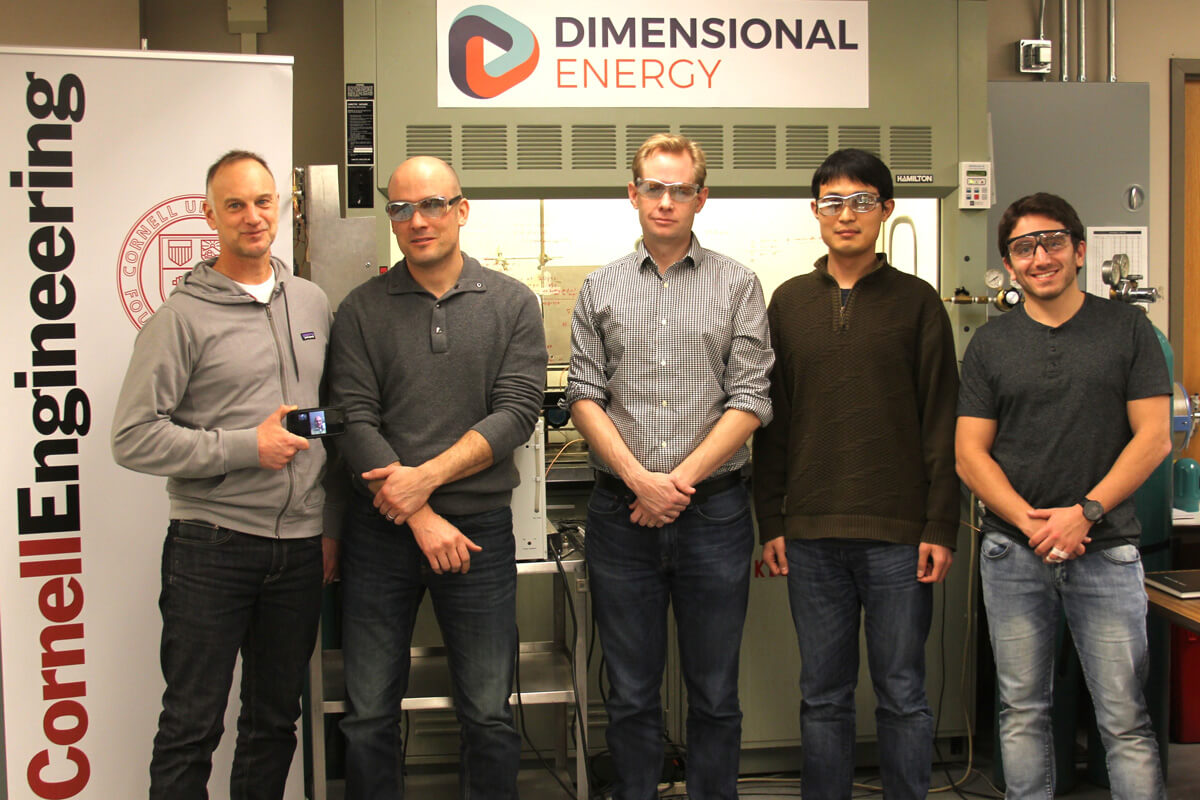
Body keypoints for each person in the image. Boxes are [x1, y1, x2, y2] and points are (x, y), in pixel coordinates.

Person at [112, 150, 337, 799]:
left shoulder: (312, 302)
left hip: (298, 549)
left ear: (282, 207)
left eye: (263, 202)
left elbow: (328, 419)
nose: (252, 216)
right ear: (210, 216)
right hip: (212, 546)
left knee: (274, 723)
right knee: (191, 726)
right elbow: (132, 437)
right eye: (234, 205)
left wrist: (328, 524)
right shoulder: (180, 318)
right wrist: (245, 447)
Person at [329, 156, 546, 800]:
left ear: (461, 209)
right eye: (401, 208)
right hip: (381, 534)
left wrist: (423, 480)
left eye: (431, 204)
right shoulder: (360, 310)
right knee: (368, 714)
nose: (417, 220)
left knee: (487, 712)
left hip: (477, 535)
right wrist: (418, 512)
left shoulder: (512, 303)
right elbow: (350, 419)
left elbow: (516, 412)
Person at [566, 133, 774, 799]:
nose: (665, 201)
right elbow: (583, 394)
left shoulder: (737, 284)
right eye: (653, 188)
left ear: (700, 198)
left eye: (680, 189)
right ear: (633, 194)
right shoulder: (600, 287)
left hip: (714, 513)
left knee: (714, 692)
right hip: (621, 516)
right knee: (630, 694)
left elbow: (751, 399)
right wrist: (639, 480)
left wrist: (674, 485)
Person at [752, 148, 959, 800]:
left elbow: (941, 422)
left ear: (886, 210)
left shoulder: (919, 303)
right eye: (833, 202)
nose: (847, 215)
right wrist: (772, 520)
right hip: (811, 536)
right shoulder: (787, 303)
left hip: (900, 537)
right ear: (816, 212)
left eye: (862, 201)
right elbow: (772, 422)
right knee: (822, 696)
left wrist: (941, 525)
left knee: (902, 693)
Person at [956, 192, 1170, 800]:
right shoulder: (991, 344)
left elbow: (1154, 437)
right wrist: (1031, 524)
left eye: (1052, 242)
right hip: (1013, 553)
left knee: (1124, 718)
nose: (1040, 257)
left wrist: (1085, 514)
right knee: (1022, 710)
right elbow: (969, 454)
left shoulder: (1128, 330)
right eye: (1024, 248)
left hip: (1106, 549)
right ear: (1009, 263)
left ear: (1079, 250)